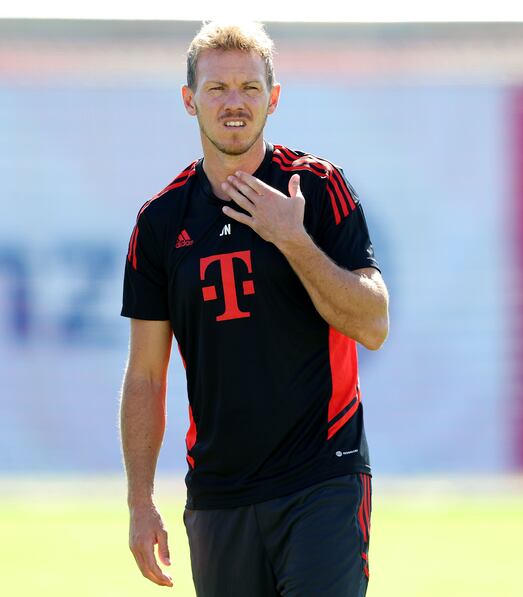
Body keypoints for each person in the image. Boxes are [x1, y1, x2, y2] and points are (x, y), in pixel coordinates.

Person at [119, 20, 389, 597]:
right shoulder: (160, 222)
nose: (234, 103)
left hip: (322, 476)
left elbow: (373, 324)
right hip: (219, 494)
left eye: (248, 87)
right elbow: (145, 376)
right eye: (217, 89)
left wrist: (292, 239)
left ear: (274, 96)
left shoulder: (316, 188)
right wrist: (140, 502)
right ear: (190, 101)